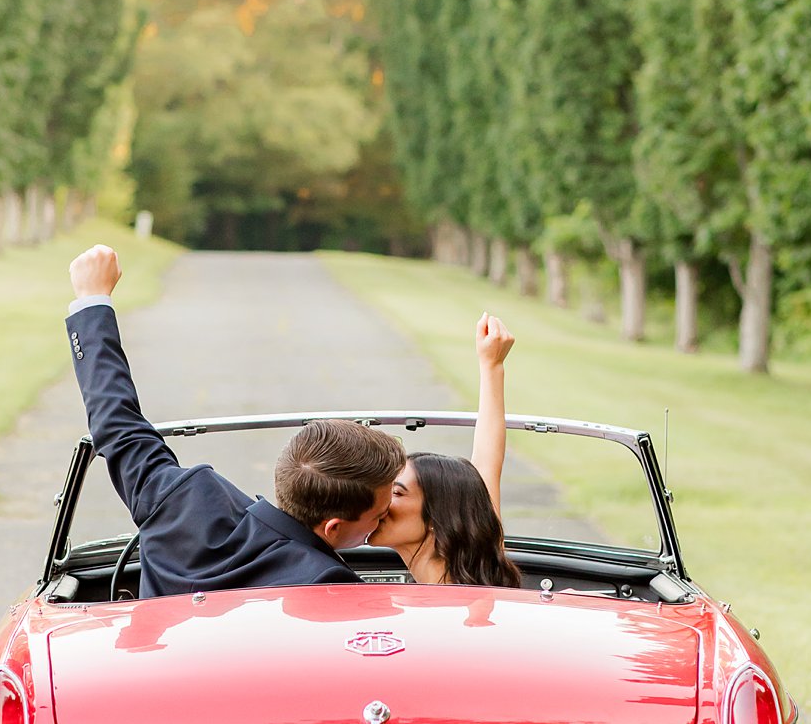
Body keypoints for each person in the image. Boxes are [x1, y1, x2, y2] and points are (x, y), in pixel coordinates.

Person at [64, 245, 402, 599]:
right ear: (332, 527)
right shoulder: (330, 588)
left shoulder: (186, 501)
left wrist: (92, 299)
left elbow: (117, 421)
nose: (385, 521)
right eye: (379, 516)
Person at [371, 313, 522, 588]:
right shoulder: (478, 577)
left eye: (396, 492)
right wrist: (492, 366)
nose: (380, 499)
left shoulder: (449, 603)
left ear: (439, 519)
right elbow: (486, 466)